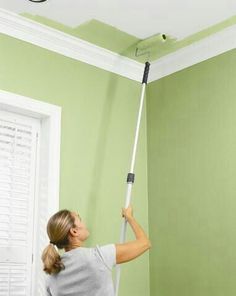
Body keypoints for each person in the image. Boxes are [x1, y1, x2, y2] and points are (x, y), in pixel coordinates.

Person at [42, 205, 151, 296]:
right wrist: (130, 217)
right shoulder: (98, 257)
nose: (84, 223)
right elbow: (145, 243)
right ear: (74, 231)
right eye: (80, 219)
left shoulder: (51, 276)